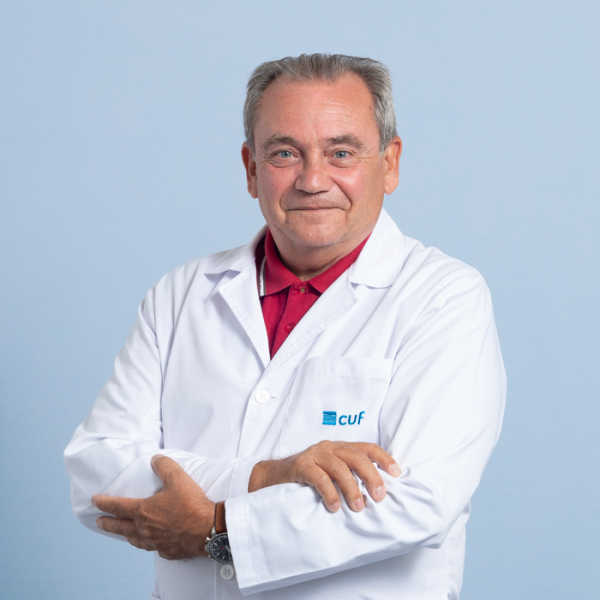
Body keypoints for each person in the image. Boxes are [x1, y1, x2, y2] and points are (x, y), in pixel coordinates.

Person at [64, 53, 506, 600]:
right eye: (284, 153)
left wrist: (213, 528)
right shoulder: (180, 295)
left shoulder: (443, 298)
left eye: (341, 152)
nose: (313, 180)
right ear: (251, 169)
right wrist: (265, 477)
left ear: (389, 163)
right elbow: (95, 473)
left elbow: (418, 502)